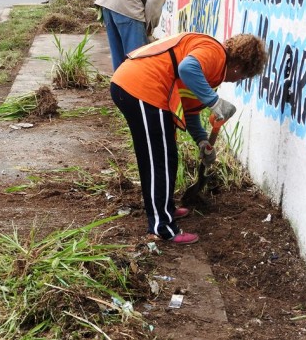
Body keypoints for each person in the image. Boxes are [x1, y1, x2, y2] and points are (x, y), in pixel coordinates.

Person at [110, 32, 267, 244]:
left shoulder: (212, 71)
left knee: (167, 157)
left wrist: (202, 141)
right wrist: (214, 102)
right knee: (158, 161)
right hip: (142, 88)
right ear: (239, 67)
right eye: (244, 77)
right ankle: (162, 227)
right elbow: (186, 68)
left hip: (141, 89)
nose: (239, 81)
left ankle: (165, 210)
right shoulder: (214, 53)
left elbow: (190, 110)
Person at [96, 0, 187, 70]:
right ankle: (132, 87)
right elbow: (153, 4)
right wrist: (149, 30)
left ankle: (118, 86)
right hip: (127, 9)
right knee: (137, 58)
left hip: (106, 5)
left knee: (118, 57)